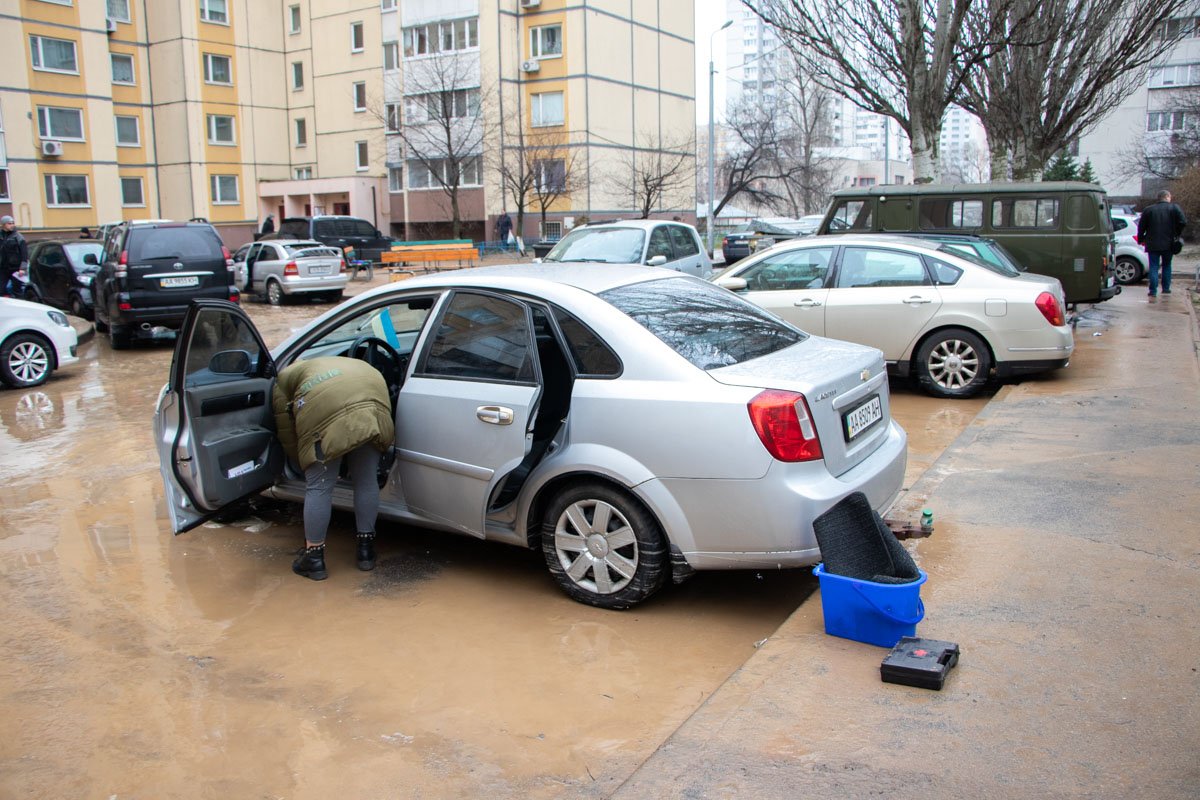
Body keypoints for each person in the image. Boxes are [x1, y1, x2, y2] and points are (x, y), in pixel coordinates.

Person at [272, 356, 396, 580]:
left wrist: (304, 462)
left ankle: (314, 559)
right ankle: (366, 551)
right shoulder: (353, 363)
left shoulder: (283, 379)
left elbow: (287, 431)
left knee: (319, 486)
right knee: (366, 480)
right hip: (372, 410)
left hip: (326, 415)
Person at [1136, 189, 1187, 298]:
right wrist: (1176, 233)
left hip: (1152, 243)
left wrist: (1141, 239)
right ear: (1168, 197)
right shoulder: (1174, 208)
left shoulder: (1148, 210)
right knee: (1167, 265)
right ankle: (1166, 288)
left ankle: (1153, 290)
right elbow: (1183, 222)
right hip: (1169, 243)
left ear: (1158, 198)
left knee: (1153, 266)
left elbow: (1141, 227)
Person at [1, 215, 29, 299]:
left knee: (17, 291)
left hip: (16, 269)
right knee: (1, 289)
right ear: (3, 225)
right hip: (3, 268)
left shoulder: (18, 236)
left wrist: (23, 268)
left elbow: (24, 253)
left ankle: (20, 308)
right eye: (9, 223)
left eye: (13, 223)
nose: (12, 225)